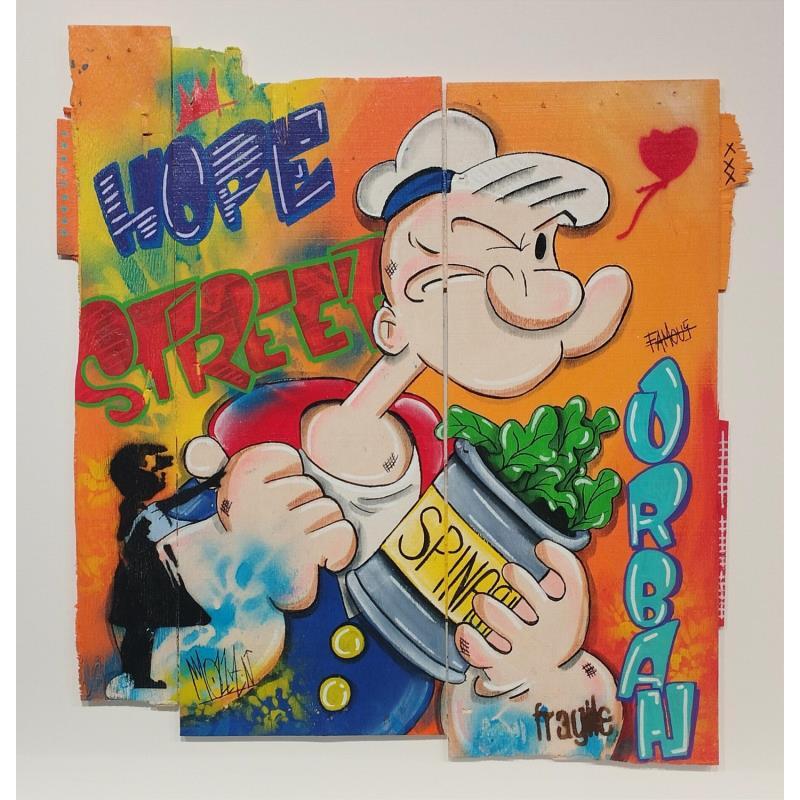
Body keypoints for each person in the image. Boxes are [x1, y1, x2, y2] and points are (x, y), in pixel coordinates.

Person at [158, 109, 631, 752]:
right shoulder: (249, 454)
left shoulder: (467, 491)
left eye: (536, 251)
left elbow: (479, 731)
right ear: (390, 324)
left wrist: (537, 669)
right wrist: (232, 552)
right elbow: (137, 654)